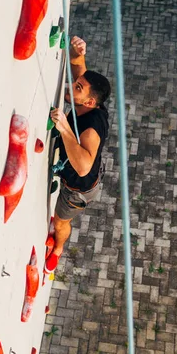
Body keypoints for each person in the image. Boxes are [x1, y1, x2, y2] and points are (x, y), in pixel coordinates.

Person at [45, 36, 111, 273]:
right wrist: (77, 51)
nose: (72, 86)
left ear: (91, 102)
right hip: (72, 170)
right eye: (76, 83)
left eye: (78, 88)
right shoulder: (87, 100)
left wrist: (64, 128)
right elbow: (78, 67)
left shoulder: (91, 129)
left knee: (61, 220)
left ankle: (58, 249)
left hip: (78, 188)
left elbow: (83, 166)